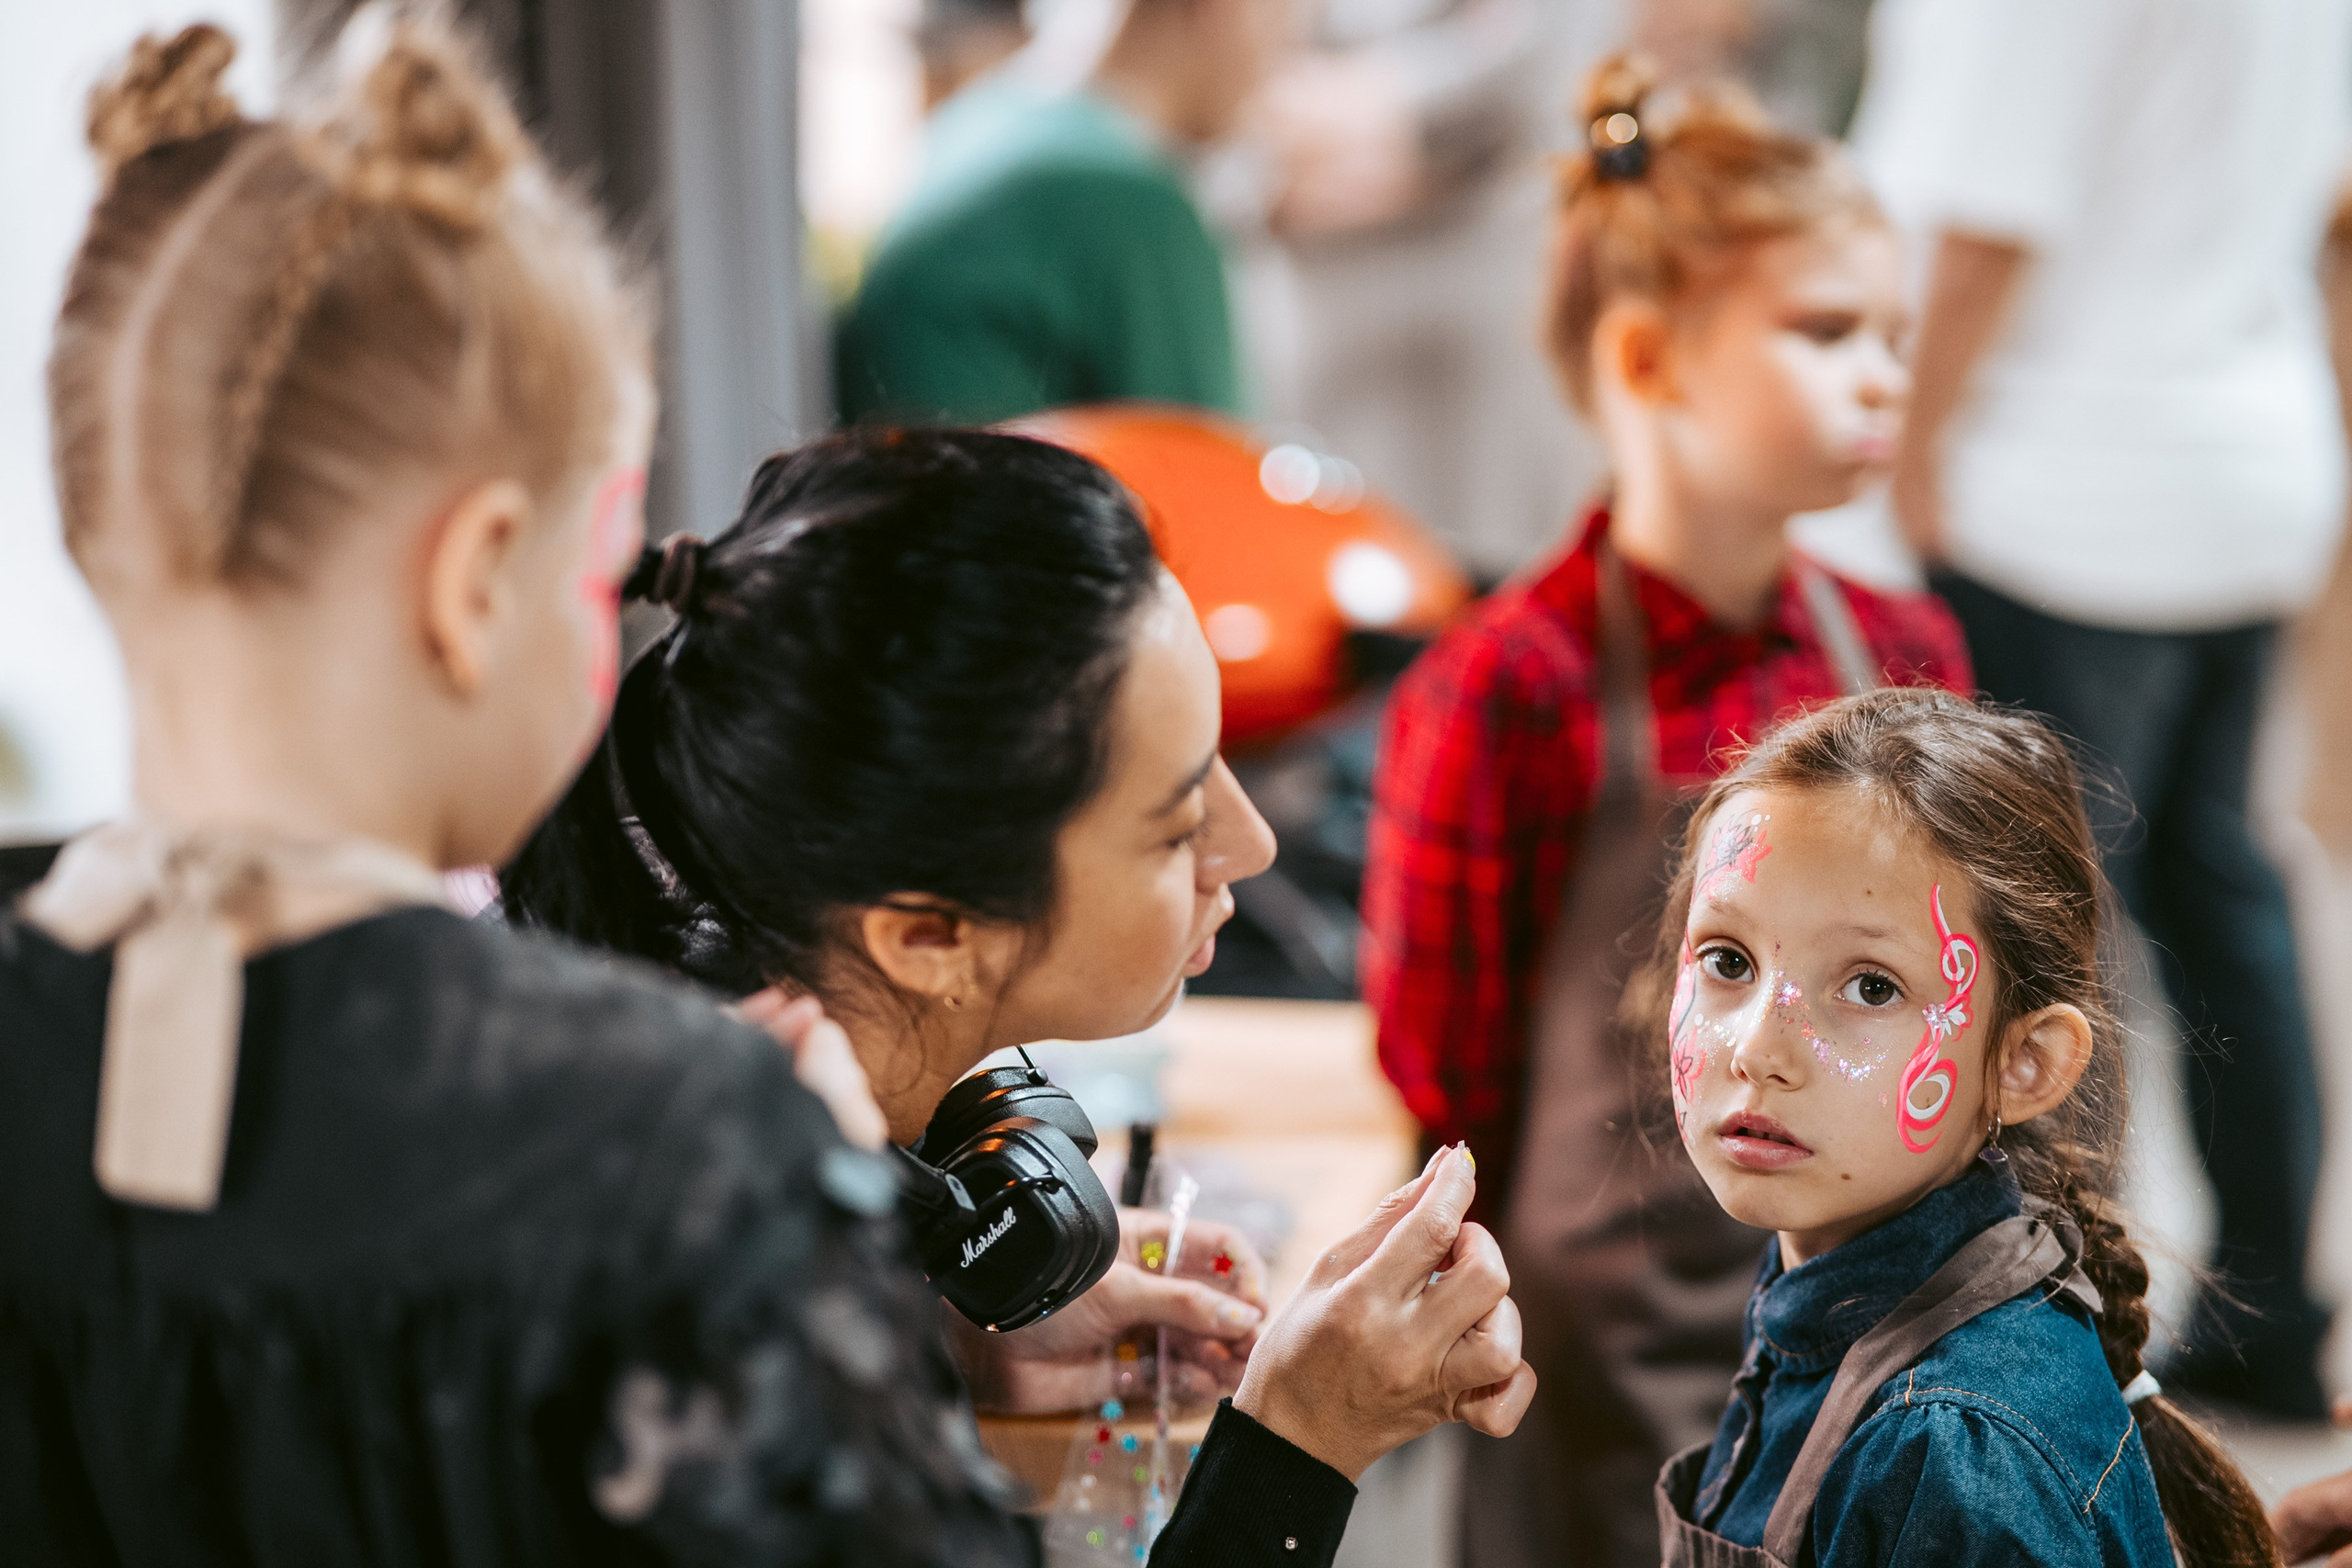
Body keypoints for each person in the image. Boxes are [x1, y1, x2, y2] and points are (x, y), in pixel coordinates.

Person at [0, 17, 1531, 1563]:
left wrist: (890, 1345)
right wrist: (1289, 1439)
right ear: (476, 581)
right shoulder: (683, 1152)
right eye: (599, 559)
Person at [1358, 54, 1972, 1568]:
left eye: (1892, 332)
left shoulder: (1906, 653)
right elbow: (1446, 1057)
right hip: (1600, 1341)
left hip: (1873, 1298)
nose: (1888, 371)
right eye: (1829, 331)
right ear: (1648, 359)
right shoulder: (1509, 686)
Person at [1854, 0, 2352, 1418]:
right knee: (2214, 887)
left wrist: (1907, 443)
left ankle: (2041, 1346)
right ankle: (2275, 1317)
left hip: (2063, 476)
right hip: (2232, 454)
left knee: (2035, 936)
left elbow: (1991, 218)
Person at [1651, 687, 2278, 1567]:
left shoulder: (1952, 1455)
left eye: (1871, 985)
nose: (1759, 1049)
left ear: (2023, 1062)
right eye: (1728, 960)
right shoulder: (1824, 1269)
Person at [832, 0, 1290, 424]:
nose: (1279, 66)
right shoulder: (1128, 200)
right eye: (1285, 22)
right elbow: (1216, 487)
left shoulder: (978, 120)